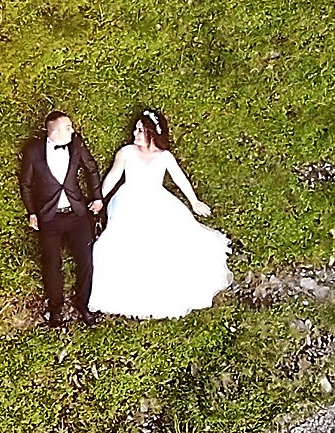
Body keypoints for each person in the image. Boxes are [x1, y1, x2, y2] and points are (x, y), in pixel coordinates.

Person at [88, 107, 231, 319]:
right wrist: (99, 199)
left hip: (156, 199)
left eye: (140, 131)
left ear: (151, 134)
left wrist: (194, 201)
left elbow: (180, 179)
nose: (135, 134)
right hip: (129, 200)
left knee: (169, 240)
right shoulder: (126, 153)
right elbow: (113, 176)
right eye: (135, 130)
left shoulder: (164, 157)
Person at [17, 110, 105, 328]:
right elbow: (26, 184)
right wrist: (32, 212)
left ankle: (83, 304)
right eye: (67, 127)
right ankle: (56, 308)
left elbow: (91, 168)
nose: (72, 130)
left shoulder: (76, 144)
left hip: (77, 214)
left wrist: (96, 197)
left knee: (86, 259)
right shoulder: (34, 151)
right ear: (53, 131)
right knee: (51, 263)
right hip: (50, 216)